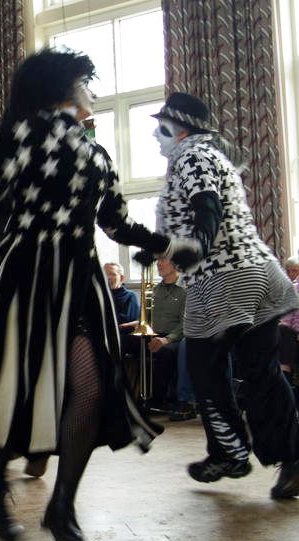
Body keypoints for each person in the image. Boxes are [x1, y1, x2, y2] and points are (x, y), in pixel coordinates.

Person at [0, 48, 183, 541]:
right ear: (65, 87)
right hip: (26, 274)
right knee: (17, 383)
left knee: (88, 388)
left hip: (80, 283)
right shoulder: (21, 135)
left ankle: (62, 505)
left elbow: (116, 224)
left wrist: (170, 245)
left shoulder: (98, 155)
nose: (93, 93)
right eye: (87, 82)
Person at [145, 92, 299, 497]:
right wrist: (157, 246)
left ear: (180, 130)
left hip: (224, 280)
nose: (154, 138)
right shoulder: (210, 156)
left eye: (160, 129)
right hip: (259, 274)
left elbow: (206, 206)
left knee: (204, 367)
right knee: (261, 370)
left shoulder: (192, 158)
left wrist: (198, 243)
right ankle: (293, 459)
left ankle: (229, 452)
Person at [147, 258, 195, 420]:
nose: (158, 264)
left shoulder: (186, 289)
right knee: (121, 343)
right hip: (153, 333)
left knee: (165, 352)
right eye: (157, 261)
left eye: (163, 260)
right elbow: (148, 317)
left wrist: (167, 339)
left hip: (174, 336)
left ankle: (158, 400)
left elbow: (186, 322)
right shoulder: (155, 289)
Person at [104, 262, 140, 336]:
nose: (108, 277)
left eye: (112, 274)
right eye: (105, 274)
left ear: (121, 278)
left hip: (120, 335)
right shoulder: (99, 296)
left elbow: (127, 320)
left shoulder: (130, 295)